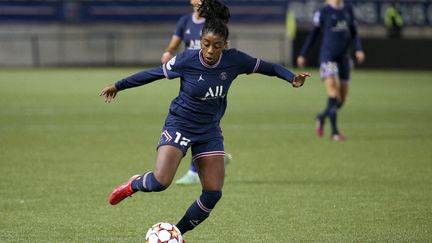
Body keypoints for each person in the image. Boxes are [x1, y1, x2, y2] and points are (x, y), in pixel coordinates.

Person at [100, 0, 310, 238]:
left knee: (213, 193)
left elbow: (269, 67)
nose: (210, 51)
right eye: (206, 44)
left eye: (216, 46)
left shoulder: (235, 60)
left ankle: (177, 233)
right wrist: (119, 85)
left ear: (225, 45)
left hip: (209, 131)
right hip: (179, 124)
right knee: (160, 182)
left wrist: (291, 78)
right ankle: (133, 184)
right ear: (201, 41)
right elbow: (153, 74)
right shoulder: (187, 60)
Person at [161, 0, 232, 185]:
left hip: (211, 78)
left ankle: (197, 168)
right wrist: (169, 53)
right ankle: (207, 161)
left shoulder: (213, 23)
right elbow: (173, 45)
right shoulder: (185, 21)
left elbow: (225, 48)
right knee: (192, 117)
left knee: (205, 121)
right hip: (191, 74)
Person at [297, 0, 365, 141]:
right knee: (333, 93)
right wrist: (303, 53)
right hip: (328, 57)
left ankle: (321, 116)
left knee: (341, 100)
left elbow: (353, 31)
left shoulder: (348, 9)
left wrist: (358, 49)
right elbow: (314, 34)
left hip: (344, 59)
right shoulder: (323, 11)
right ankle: (334, 132)